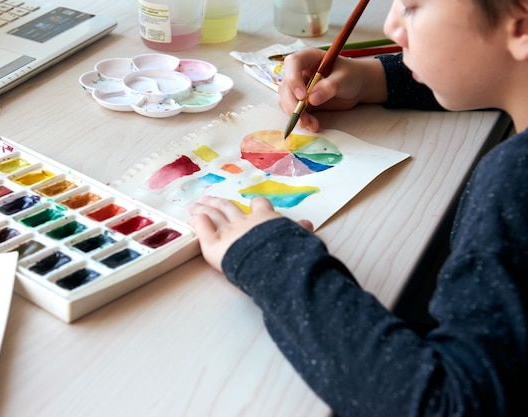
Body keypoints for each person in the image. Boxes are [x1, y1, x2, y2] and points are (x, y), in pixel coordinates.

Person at [187, 0, 528, 415]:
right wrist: (375, 78)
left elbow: (447, 403)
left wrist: (270, 260)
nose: (391, 26)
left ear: (521, 26)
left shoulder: (516, 182)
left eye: (413, 7)